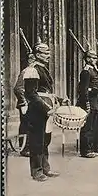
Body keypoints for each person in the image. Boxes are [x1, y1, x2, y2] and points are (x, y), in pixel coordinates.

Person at [22, 40, 67, 181]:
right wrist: (46, 109)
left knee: (45, 141)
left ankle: (45, 168)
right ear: (37, 54)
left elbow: (45, 91)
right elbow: (31, 94)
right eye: (45, 53)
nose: (48, 55)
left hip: (45, 109)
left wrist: (59, 99)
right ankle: (36, 171)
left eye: (48, 52)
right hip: (37, 110)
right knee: (36, 141)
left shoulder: (42, 68)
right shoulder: (32, 69)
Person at [77, 48, 98, 158]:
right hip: (89, 102)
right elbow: (83, 90)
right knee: (87, 127)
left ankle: (91, 148)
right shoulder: (86, 71)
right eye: (92, 57)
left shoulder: (93, 70)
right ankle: (85, 150)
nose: (94, 59)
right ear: (87, 59)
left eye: (95, 57)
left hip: (95, 101)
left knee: (92, 127)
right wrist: (87, 103)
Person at [13, 53, 37, 157]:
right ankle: (24, 148)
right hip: (25, 103)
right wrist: (24, 102)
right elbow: (18, 88)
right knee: (25, 125)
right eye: (33, 59)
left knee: (31, 126)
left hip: (32, 103)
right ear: (29, 61)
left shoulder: (33, 72)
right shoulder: (25, 72)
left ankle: (29, 147)